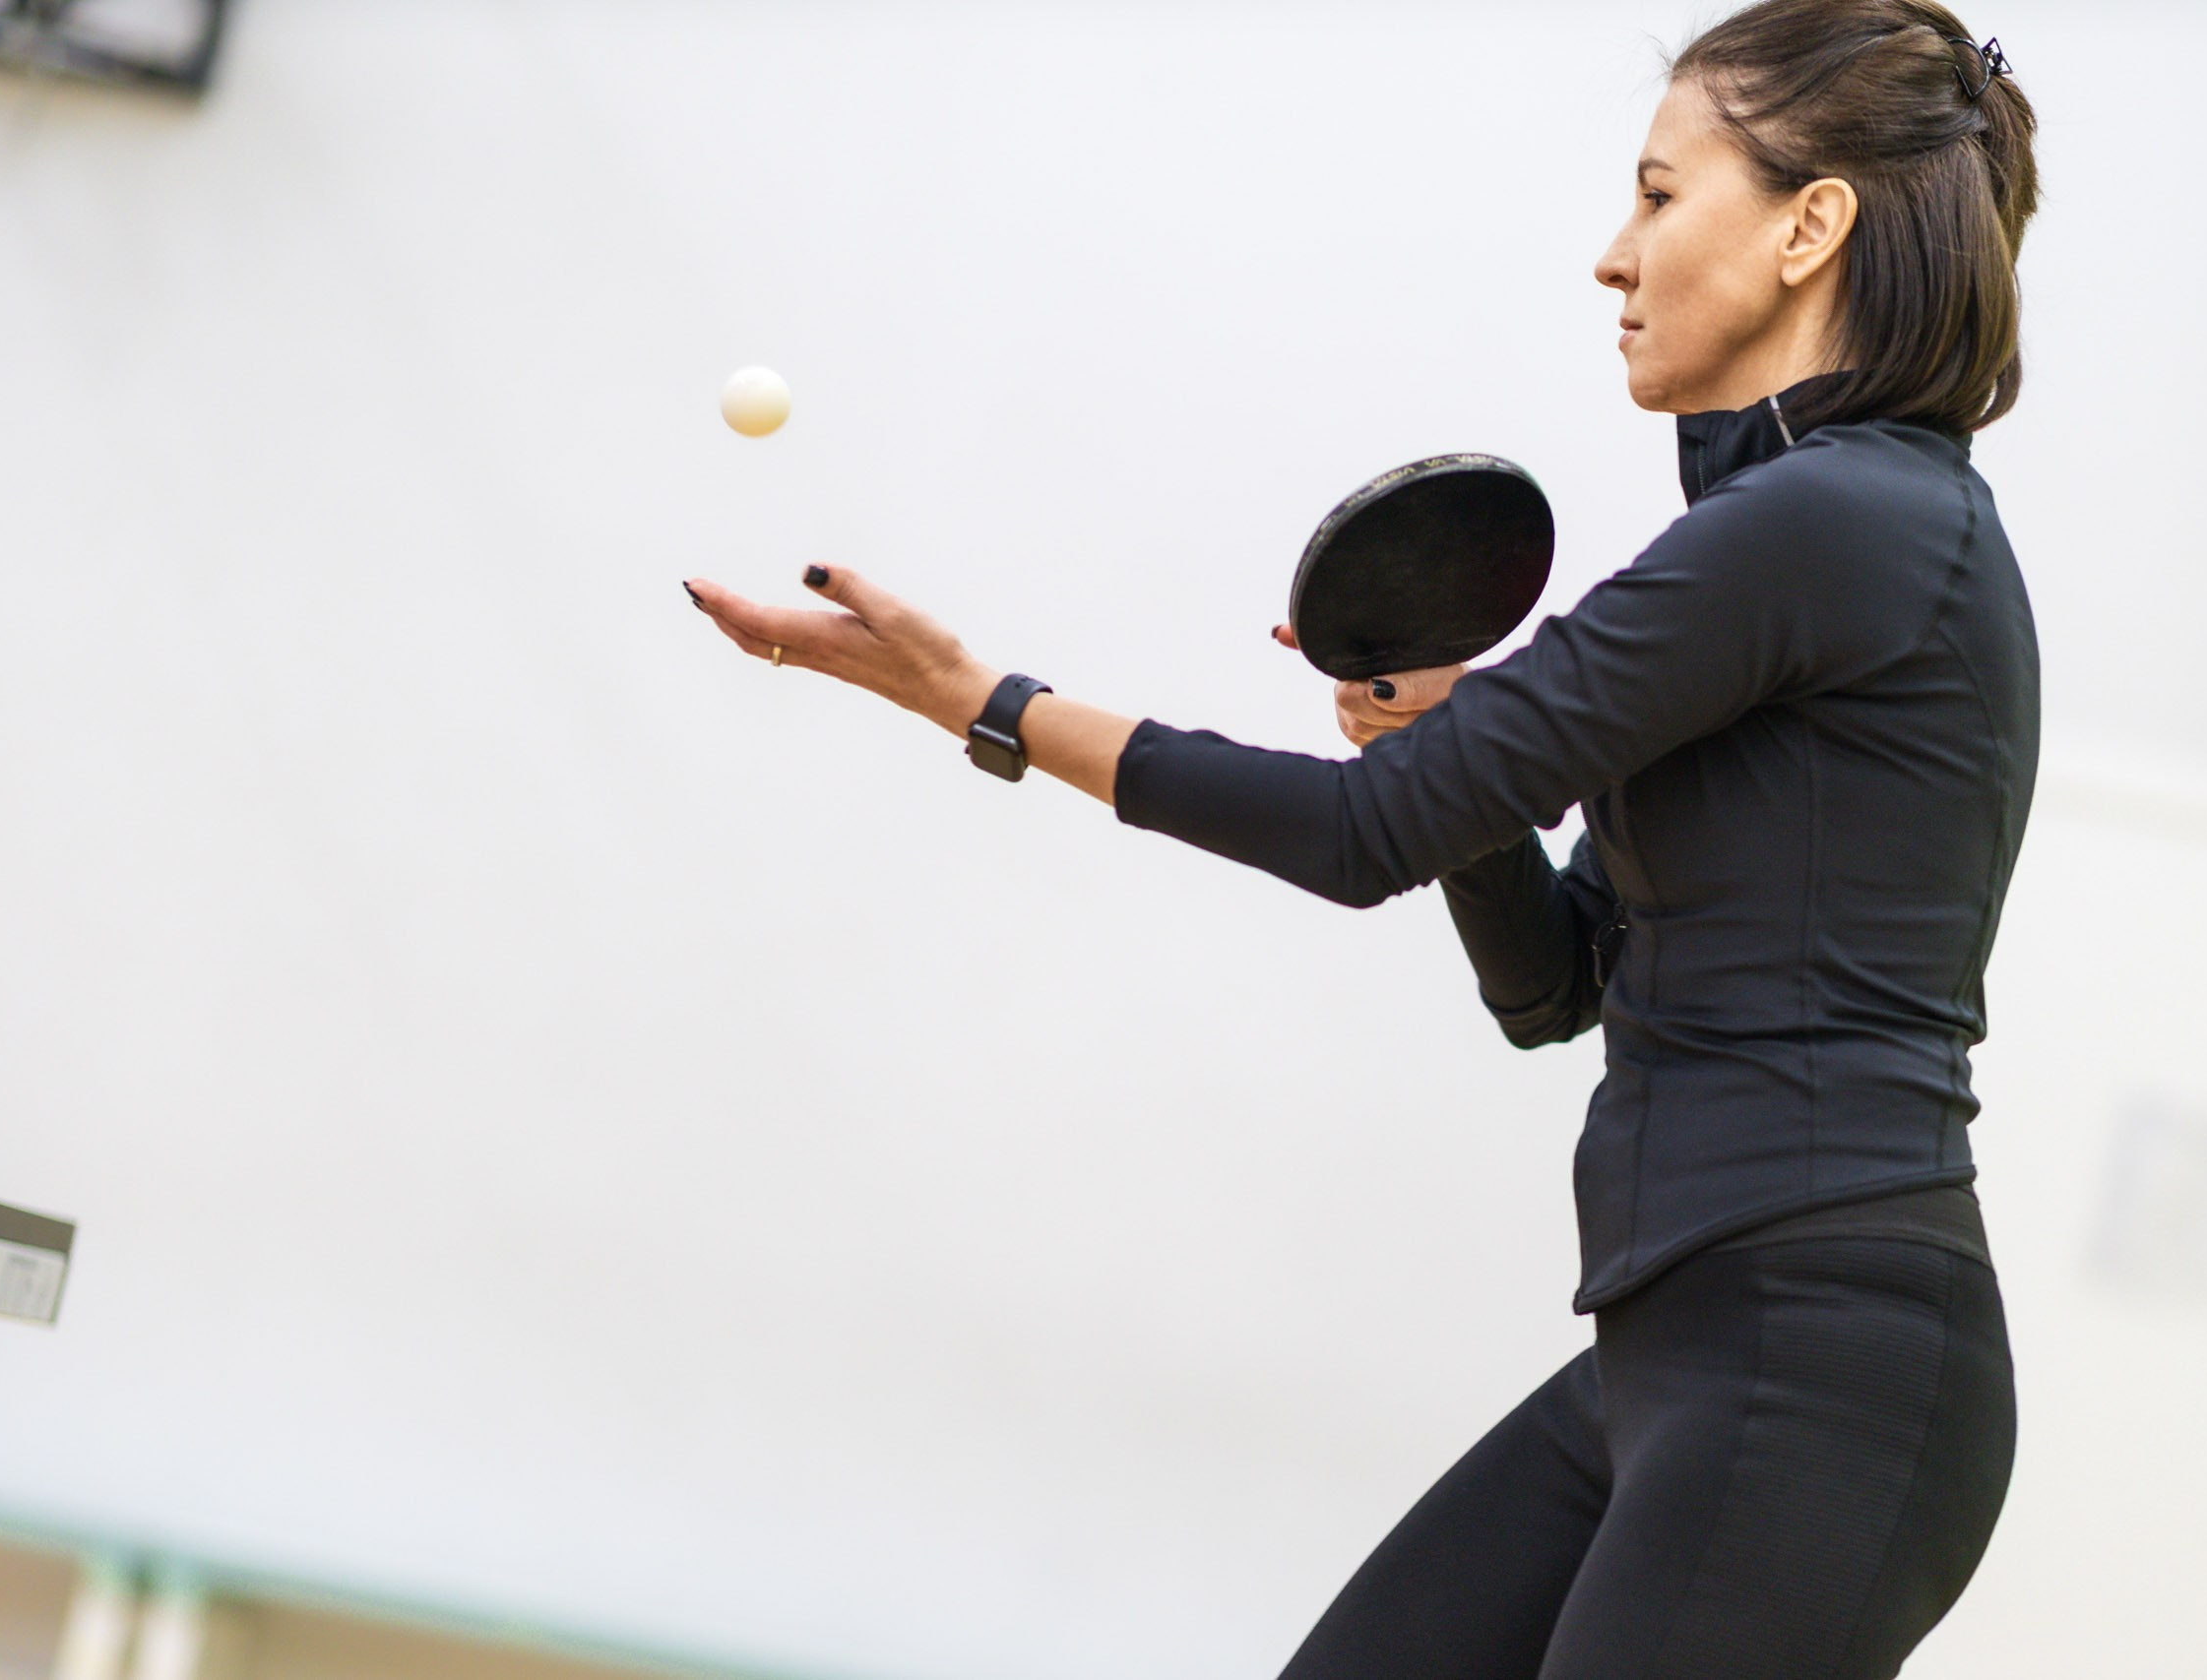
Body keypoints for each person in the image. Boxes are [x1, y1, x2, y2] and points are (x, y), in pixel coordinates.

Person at [685, 1, 2040, 1673]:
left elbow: (1355, 834)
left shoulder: (1839, 521)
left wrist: (990, 701)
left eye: (1659, 197)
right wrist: (1454, 769)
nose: (1612, 259)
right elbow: (1555, 986)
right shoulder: (1807, 534)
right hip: (1684, 1347)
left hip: (1822, 1372)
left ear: (1808, 226)